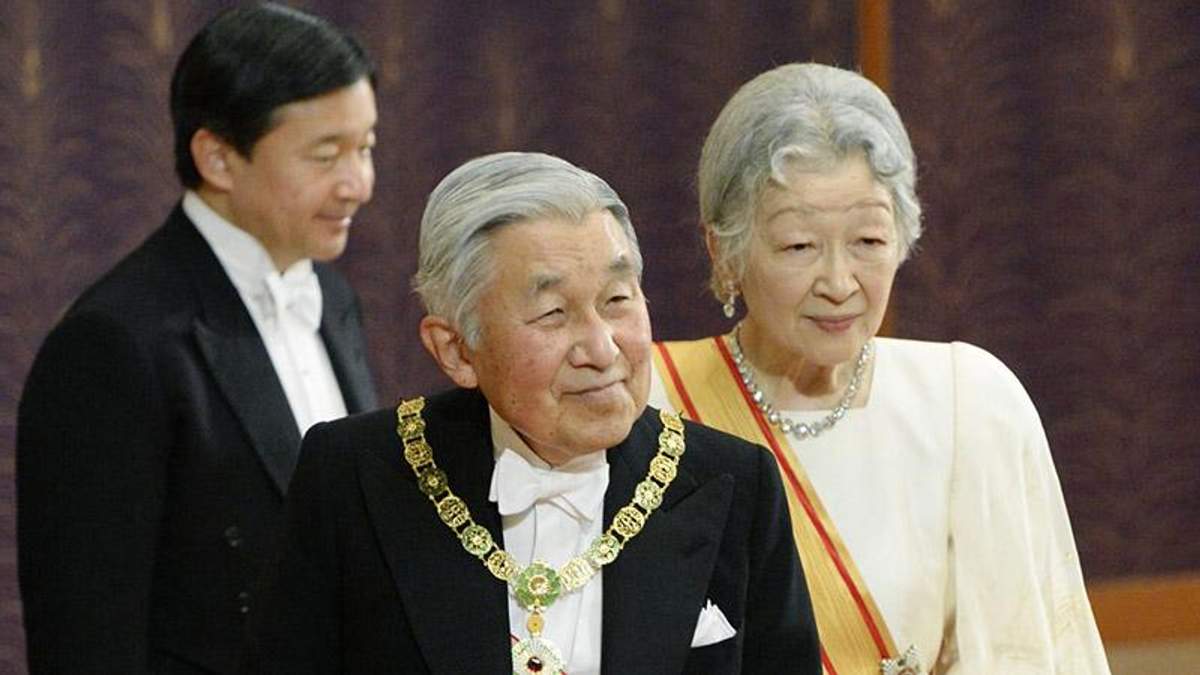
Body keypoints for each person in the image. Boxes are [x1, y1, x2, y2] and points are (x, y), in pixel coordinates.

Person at [242, 152, 821, 674]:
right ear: (456, 350)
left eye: (618, 300)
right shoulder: (355, 476)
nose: (602, 350)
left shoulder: (732, 483)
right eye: (552, 314)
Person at [648, 63, 1110, 673]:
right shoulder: (650, 402)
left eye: (868, 242)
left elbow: (1023, 654)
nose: (839, 283)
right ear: (722, 250)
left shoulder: (968, 404)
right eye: (799, 246)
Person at [17, 4, 378, 673]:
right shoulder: (113, 343)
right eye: (326, 155)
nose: (359, 184)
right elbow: (86, 639)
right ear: (217, 157)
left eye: (366, 148)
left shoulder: (333, 300)